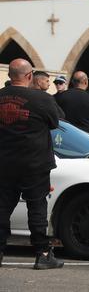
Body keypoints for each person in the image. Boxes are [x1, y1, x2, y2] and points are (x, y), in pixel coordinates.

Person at [0, 59, 64, 270]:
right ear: (29, 76)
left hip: (4, 162)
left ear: (10, 75)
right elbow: (55, 122)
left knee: (2, 207)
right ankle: (42, 253)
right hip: (35, 162)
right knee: (36, 207)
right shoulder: (41, 99)